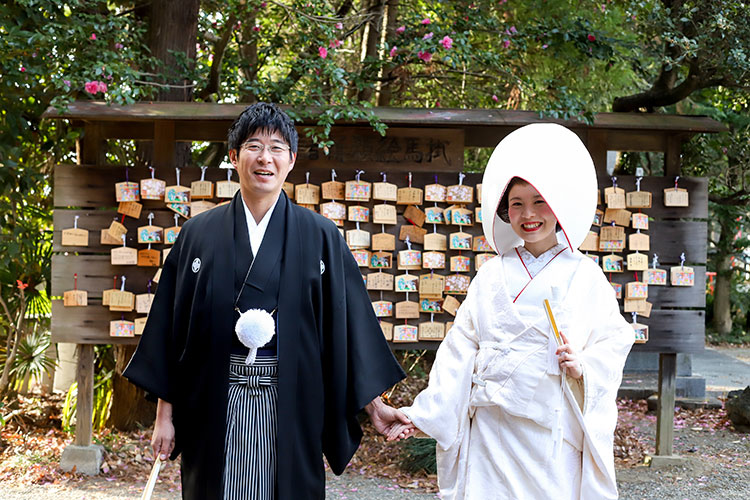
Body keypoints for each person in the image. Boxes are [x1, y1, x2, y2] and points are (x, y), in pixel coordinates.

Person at [124, 102, 408, 500]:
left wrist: (375, 406)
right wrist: (164, 417)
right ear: (234, 157)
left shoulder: (321, 236)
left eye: (276, 148)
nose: (264, 158)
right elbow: (173, 333)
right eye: (253, 146)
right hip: (214, 404)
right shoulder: (198, 235)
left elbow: (348, 330)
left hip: (292, 401)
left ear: (291, 160)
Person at [388, 123, 635, 499]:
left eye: (539, 201)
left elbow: (614, 341)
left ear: (558, 205)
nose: (528, 213)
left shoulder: (585, 275)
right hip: (492, 431)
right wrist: (423, 414)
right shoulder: (491, 275)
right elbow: (460, 350)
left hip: (549, 431)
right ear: (505, 212)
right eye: (516, 204)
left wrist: (583, 365)